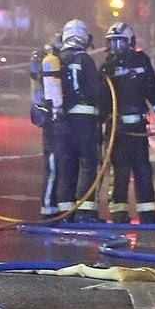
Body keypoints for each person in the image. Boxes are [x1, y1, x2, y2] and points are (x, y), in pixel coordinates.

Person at [100, 20, 155, 223]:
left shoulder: (142, 62)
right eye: (113, 42)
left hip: (138, 130)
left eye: (120, 42)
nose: (117, 47)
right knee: (119, 172)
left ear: (130, 42)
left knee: (143, 170)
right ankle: (119, 214)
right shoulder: (107, 68)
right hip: (117, 131)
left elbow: (154, 95)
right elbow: (102, 101)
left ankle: (148, 214)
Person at [54, 19, 104, 221]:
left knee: (66, 165)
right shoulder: (85, 60)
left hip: (62, 122)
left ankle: (65, 212)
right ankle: (85, 212)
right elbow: (94, 92)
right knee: (87, 164)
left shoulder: (57, 59)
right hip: (84, 123)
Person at [29, 34, 63, 218]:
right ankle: (49, 206)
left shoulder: (46, 62)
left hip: (49, 121)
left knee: (55, 166)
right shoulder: (53, 64)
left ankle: (53, 206)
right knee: (53, 166)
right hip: (53, 123)